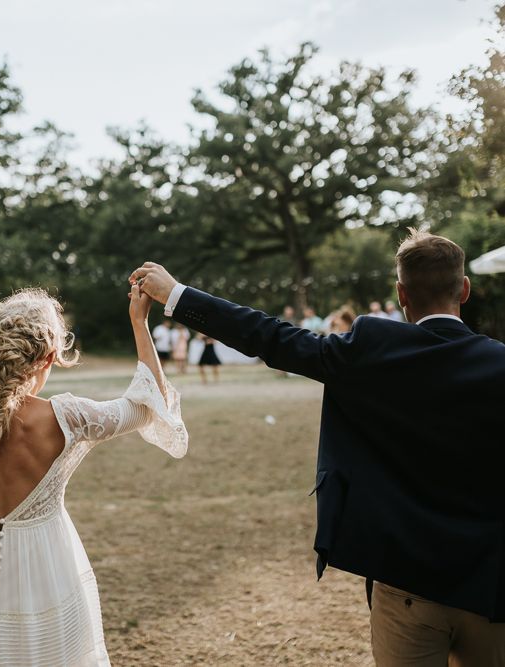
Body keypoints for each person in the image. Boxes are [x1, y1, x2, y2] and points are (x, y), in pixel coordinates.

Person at [131, 229, 505, 665]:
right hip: (490, 583)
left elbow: (270, 337)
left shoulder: (369, 348)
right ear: (464, 288)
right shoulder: (499, 363)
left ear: (401, 293)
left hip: (405, 581)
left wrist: (176, 294)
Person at [0, 286, 187, 666]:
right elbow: (150, 406)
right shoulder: (69, 418)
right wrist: (139, 322)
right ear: (51, 356)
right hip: (50, 579)